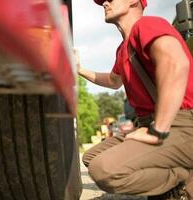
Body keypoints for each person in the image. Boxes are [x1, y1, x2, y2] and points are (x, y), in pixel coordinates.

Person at [78, 0, 193, 199]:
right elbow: (114, 81)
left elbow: (176, 62)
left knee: (104, 169)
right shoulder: (123, 48)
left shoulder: (147, 25)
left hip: (182, 123)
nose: (104, 3)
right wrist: (78, 69)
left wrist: (158, 131)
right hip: (152, 123)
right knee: (91, 157)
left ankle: (184, 179)